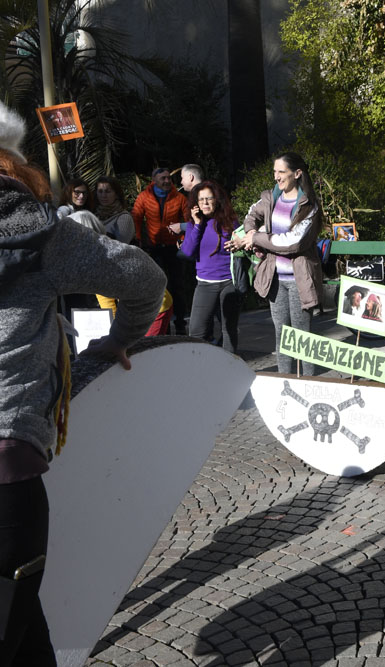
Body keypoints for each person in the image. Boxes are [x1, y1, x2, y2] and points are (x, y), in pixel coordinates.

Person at [0, 102, 165, 665]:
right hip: (7, 474)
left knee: (24, 635)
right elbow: (146, 280)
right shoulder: (40, 236)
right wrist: (118, 338)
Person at [229, 152, 324, 375]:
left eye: (282, 172)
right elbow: (252, 213)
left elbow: (293, 243)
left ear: (297, 173)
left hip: (299, 280)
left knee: (302, 337)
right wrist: (252, 230)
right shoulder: (271, 198)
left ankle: (308, 382)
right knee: (281, 334)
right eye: (275, 172)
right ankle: (284, 381)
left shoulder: (309, 206)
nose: (277, 177)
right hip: (275, 279)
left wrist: (256, 238)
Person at [179, 181, 240, 353]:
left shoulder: (230, 221)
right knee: (196, 332)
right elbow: (188, 251)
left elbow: (241, 246)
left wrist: (239, 244)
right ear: (196, 203)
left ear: (217, 200)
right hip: (205, 283)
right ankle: (200, 368)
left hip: (229, 282)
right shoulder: (194, 223)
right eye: (201, 200)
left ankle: (229, 368)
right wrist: (198, 224)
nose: (205, 203)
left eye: (209, 199)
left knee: (229, 330)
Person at [132, 168, 189, 334]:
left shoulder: (178, 198)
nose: (166, 181)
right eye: (162, 178)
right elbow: (136, 216)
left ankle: (180, 323)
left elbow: (188, 220)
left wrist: (183, 240)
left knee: (178, 286)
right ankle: (164, 325)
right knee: (160, 287)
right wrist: (137, 238)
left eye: (168, 178)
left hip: (173, 247)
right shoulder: (144, 196)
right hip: (154, 247)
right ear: (154, 180)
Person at [94, 176, 136, 244]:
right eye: (100, 191)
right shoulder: (94, 215)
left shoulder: (124, 218)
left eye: (108, 191)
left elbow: (121, 248)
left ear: (116, 194)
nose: (103, 195)